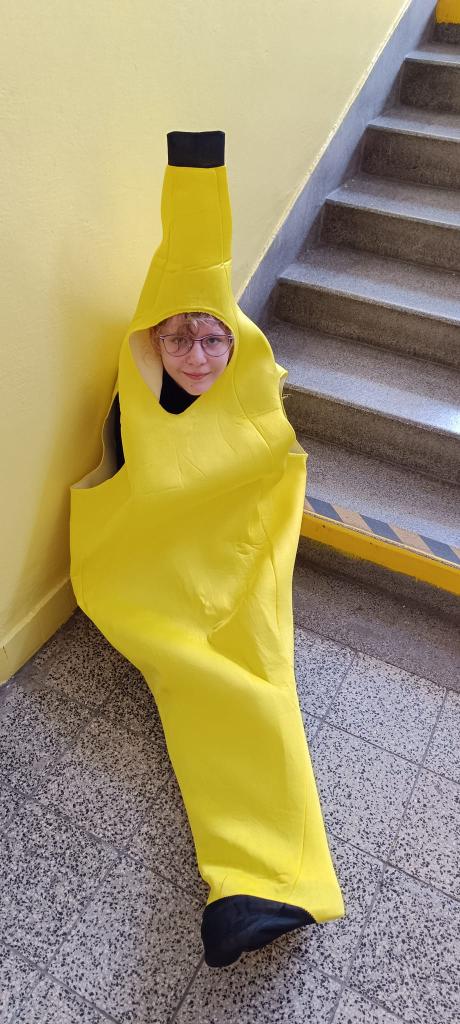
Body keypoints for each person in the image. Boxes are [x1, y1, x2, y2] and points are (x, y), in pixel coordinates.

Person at [70, 130, 345, 968]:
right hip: (158, 576)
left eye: (213, 339)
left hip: (244, 556)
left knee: (259, 676)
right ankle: (262, 878)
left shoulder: (251, 381)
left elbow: (269, 471)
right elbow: (128, 502)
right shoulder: (136, 400)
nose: (197, 356)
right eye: (178, 338)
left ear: (236, 340)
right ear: (151, 341)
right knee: (200, 679)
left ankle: (265, 880)